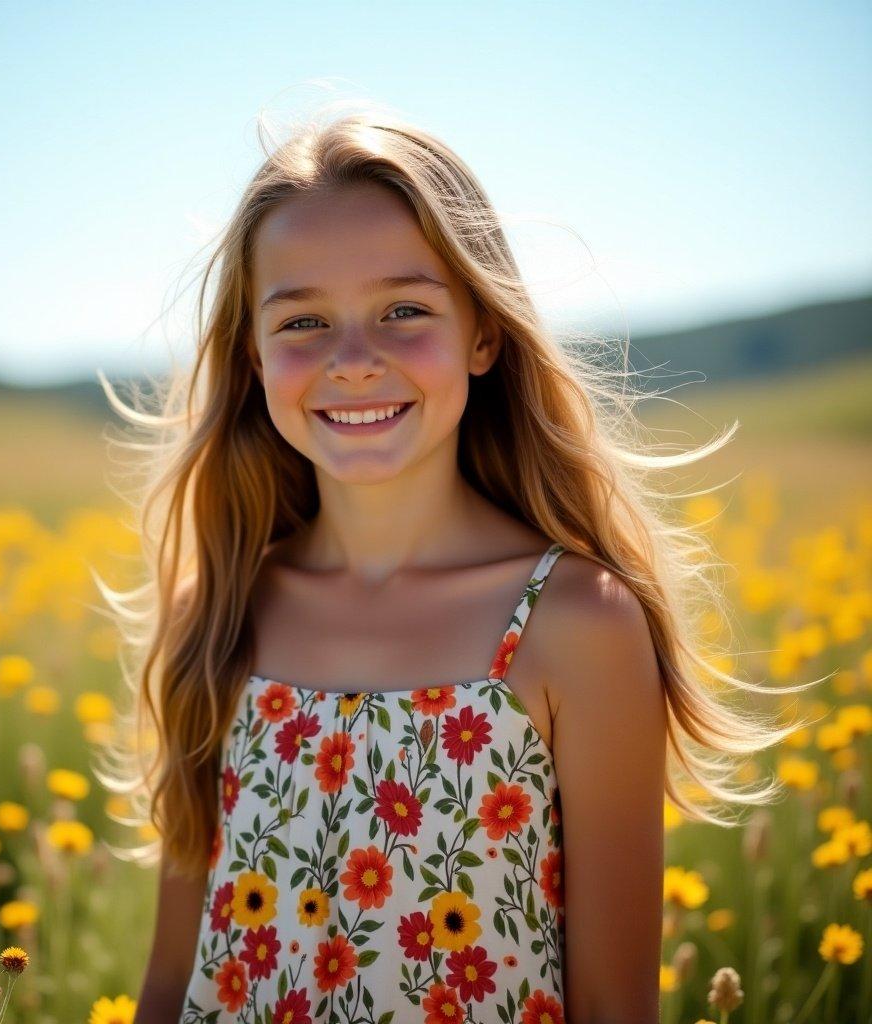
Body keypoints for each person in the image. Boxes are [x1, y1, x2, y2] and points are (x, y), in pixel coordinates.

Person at [96, 108, 813, 1024]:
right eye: (304, 321)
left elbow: (611, 1006)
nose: (354, 361)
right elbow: (170, 981)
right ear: (253, 357)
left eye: (404, 311)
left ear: (484, 334)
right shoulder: (223, 605)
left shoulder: (575, 622)